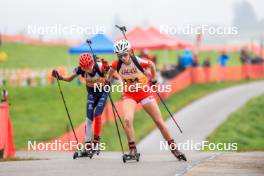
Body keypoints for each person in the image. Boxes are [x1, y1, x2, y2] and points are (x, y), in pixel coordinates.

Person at [107, 39, 186, 161]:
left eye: (125, 54)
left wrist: (153, 79)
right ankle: (133, 150)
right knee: (127, 119)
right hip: (129, 95)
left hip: (144, 93)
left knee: (159, 122)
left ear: (129, 52)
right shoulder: (116, 64)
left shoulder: (137, 60)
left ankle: (174, 148)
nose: (123, 58)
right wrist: (107, 81)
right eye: (119, 56)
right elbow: (111, 72)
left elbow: (152, 65)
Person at [52, 53, 110, 153]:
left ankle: (96, 143)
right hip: (92, 93)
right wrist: (60, 77)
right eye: (85, 68)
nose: (88, 69)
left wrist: (108, 75)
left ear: (92, 63)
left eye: (89, 66)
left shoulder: (100, 66)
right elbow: (70, 78)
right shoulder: (80, 69)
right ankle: (87, 146)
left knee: (97, 115)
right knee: (88, 119)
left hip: (103, 92)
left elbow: (116, 76)